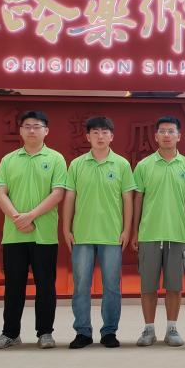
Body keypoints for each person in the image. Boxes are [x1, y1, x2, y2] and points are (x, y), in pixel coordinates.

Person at [0, 110, 68, 349]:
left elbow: (58, 193)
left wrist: (31, 216)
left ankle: (45, 332)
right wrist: (18, 218)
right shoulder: (8, 160)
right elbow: (0, 192)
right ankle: (10, 333)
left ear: (46, 131)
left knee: (46, 285)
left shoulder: (56, 158)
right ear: (21, 131)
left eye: (37, 126)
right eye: (27, 126)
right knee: (13, 286)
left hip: (44, 235)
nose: (32, 130)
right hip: (14, 234)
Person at [61, 115, 136, 349]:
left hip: (112, 235)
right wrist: (66, 228)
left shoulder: (122, 164)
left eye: (104, 132)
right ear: (88, 137)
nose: (100, 136)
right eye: (95, 132)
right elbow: (69, 198)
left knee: (112, 286)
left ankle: (109, 331)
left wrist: (127, 229)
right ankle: (82, 332)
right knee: (81, 286)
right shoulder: (77, 164)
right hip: (81, 235)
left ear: (112, 136)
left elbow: (128, 200)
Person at [130, 115, 185, 347]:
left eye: (171, 131)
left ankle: (172, 329)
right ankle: (148, 330)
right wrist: (135, 231)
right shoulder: (144, 166)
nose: (167, 135)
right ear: (156, 136)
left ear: (179, 136)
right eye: (162, 131)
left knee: (174, 286)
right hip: (149, 234)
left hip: (177, 235)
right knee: (148, 286)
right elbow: (137, 200)